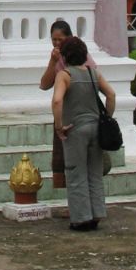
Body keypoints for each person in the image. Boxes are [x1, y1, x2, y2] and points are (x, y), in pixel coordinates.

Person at [52, 35, 115, 231]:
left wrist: (59, 125)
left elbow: (57, 101)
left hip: (75, 129)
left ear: (65, 56)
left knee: (76, 172)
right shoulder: (92, 73)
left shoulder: (65, 75)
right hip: (96, 127)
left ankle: (80, 218)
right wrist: (107, 118)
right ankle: (97, 214)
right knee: (94, 172)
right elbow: (111, 94)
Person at [39, 19, 95, 191]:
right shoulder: (58, 61)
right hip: (68, 116)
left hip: (76, 117)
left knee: (77, 165)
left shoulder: (80, 60)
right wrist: (52, 62)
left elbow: (57, 100)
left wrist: (58, 125)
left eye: (60, 40)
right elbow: (45, 84)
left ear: (70, 39)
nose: (57, 44)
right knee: (69, 164)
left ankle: (80, 209)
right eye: (54, 40)